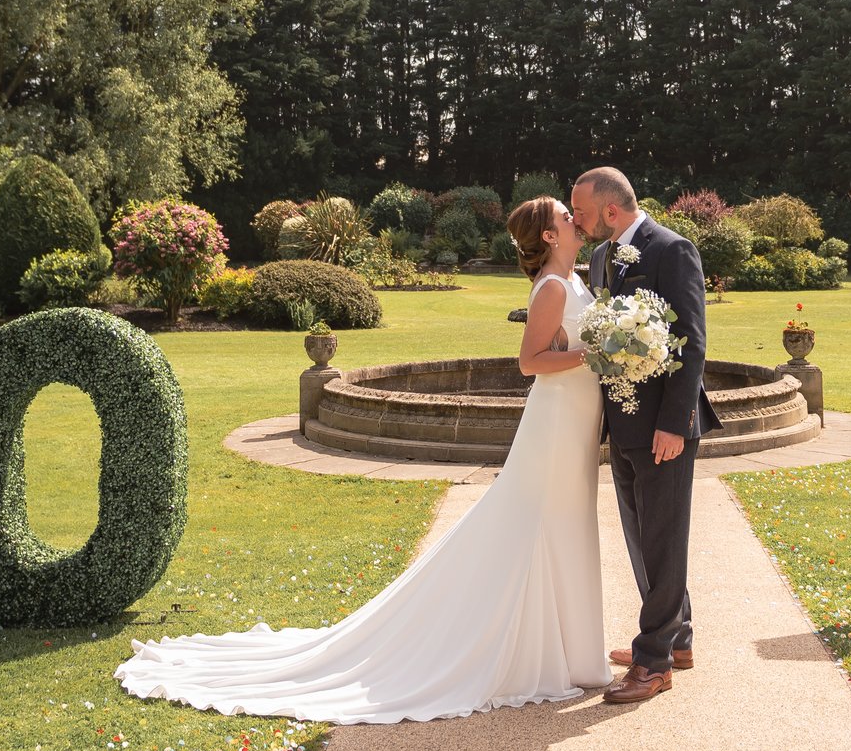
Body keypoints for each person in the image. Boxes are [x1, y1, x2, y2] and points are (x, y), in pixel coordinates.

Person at [113, 195, 608, 721]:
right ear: (550, 236)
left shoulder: (576, 281)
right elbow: (530, 362)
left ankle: (574, 652)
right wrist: (596, 353)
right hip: (554, 419)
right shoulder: (552, 287)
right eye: (563, 215)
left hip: (577, 414)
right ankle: (535, 652)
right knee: (540, 523)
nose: (575, 220)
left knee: (568, 523)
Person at [571, 166, 716, 705]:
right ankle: (676, 640)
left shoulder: (673, 250)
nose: (576, 221)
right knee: (640, 538)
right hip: (623, 421)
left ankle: (653, 662)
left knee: (663, 538)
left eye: (581, 211)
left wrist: (673, 424)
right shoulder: (604, 257)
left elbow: (692, 344)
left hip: (663, 428)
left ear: (611, 209)